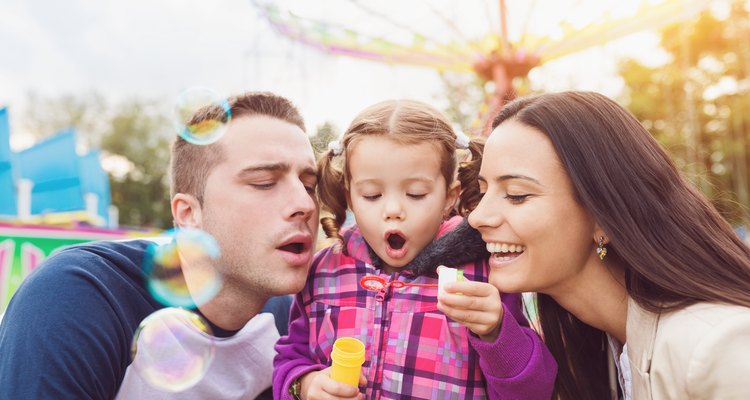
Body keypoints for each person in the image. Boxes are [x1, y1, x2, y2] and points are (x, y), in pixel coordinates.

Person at [0, 92, 320, 399]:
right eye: (264, 183)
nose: (304, 203)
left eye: (309, 185)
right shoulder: (76, 298)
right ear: (189, 213)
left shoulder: (299, 321)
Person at [461, 91, 750, 399]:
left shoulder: (717, 348)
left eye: (517, 194)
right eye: (483, 191)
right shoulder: (598, 353)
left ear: (602, 216)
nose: (478, 217)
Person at [273, 99, 557, 399]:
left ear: (450, 196)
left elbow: (535, 391)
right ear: (350, 197)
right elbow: (289, 358)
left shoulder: (484, 277)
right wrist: (304, 385)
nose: (393, 210)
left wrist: (497, 332)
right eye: (372, 195)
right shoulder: (323, 271)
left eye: (415, 193)